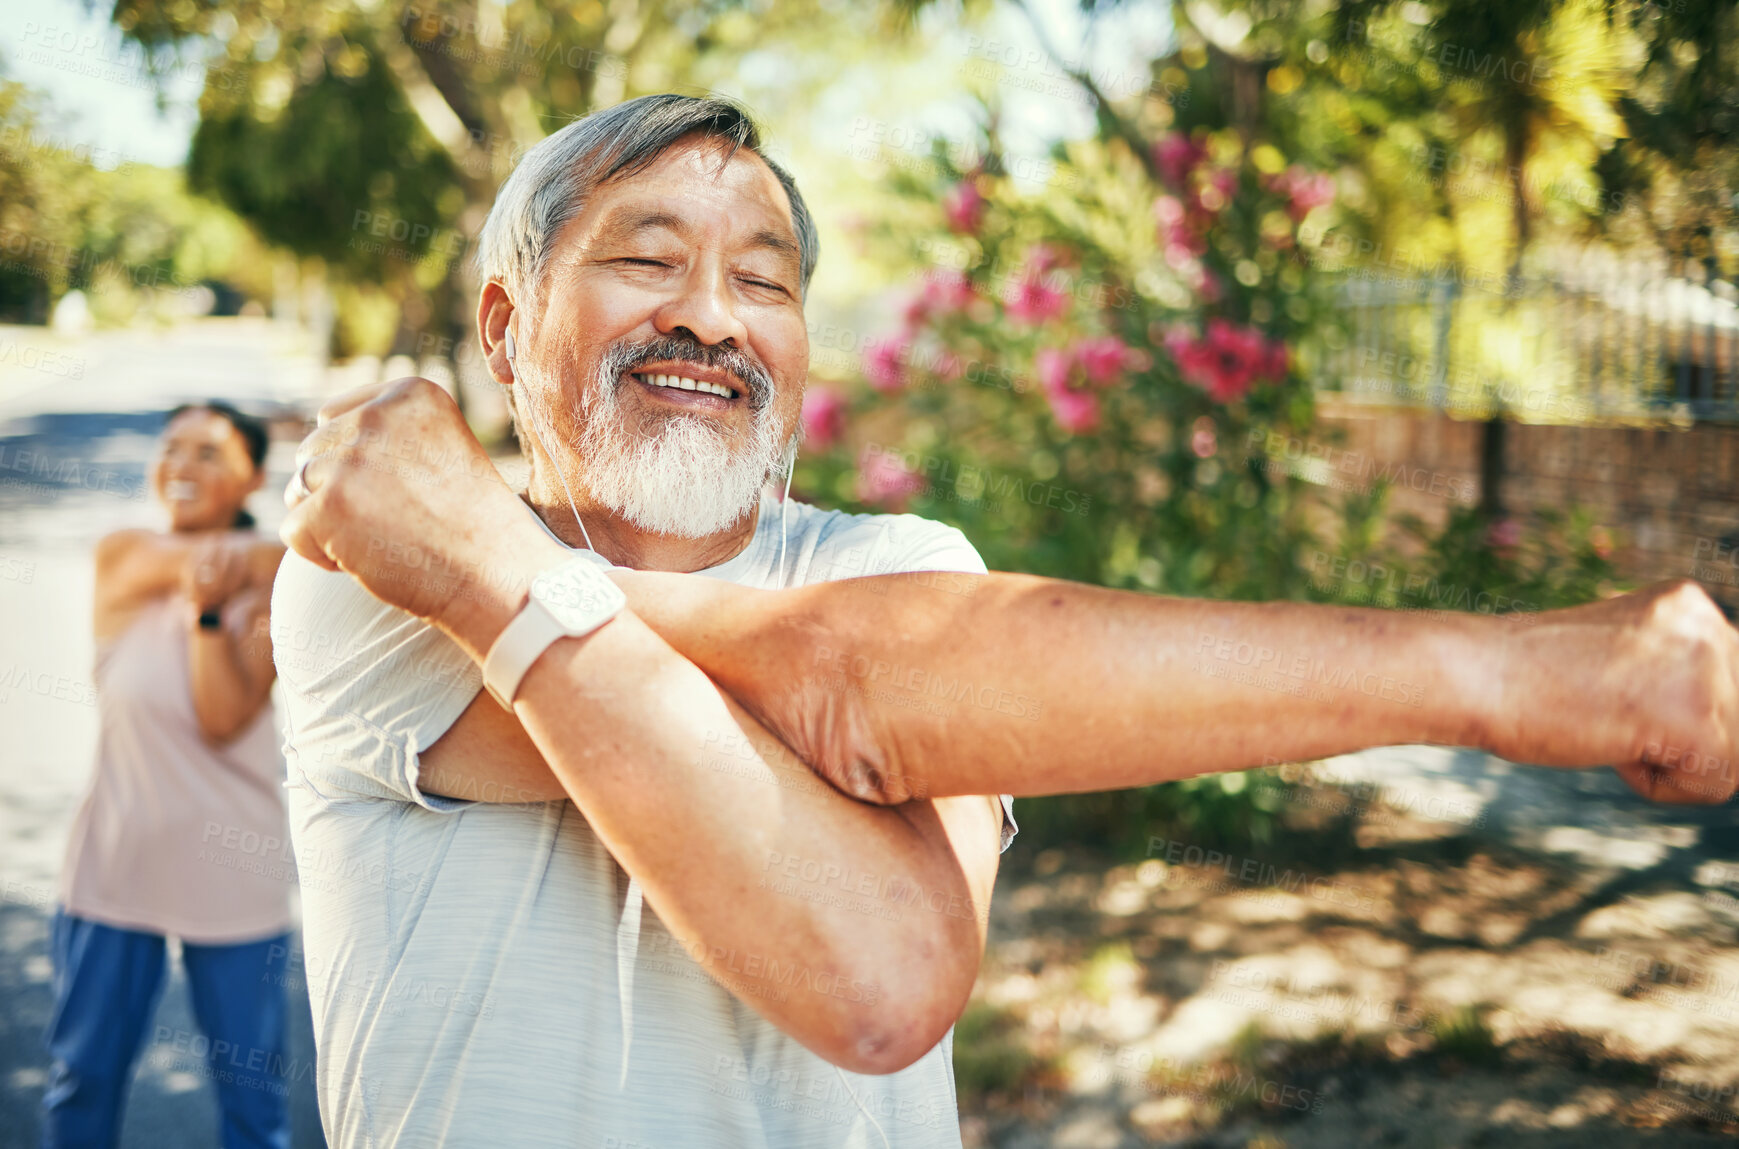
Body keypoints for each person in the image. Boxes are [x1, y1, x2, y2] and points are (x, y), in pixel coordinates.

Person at [272, 94, 1737, 1149]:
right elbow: (873, 971)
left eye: (762, 279)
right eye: (646, 260)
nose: (711, 318)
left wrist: (488, 566)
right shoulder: (366, 579)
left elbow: (862, 783)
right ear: (502, 323)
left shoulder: (890, 560)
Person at [45, 402, 292, 1149]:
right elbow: (259, 557)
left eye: (208, 453)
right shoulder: (123, 554)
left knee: (254, 1105)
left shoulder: (274, 588)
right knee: (81, 1079)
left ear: (251, 472)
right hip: (117, 865)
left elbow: (223, 716)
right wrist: (267, 557)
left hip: (234, 874)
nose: (182, 466)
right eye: (172, 448)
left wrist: (208, 616)